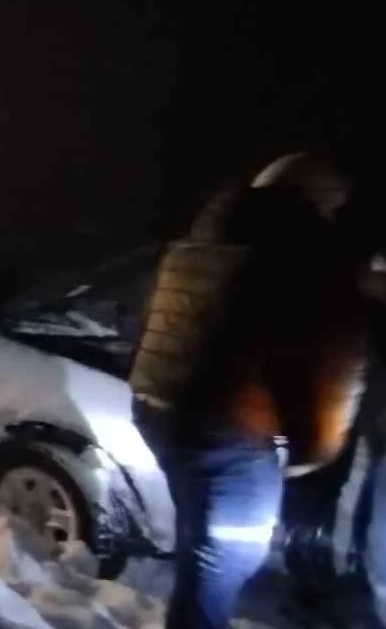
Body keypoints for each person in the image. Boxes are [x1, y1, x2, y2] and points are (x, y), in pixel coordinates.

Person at [128, 152, 376, 629]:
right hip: (228, 437)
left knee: (201, 544)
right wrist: (308, 457)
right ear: (317, 205)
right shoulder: (309, 265)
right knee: (225, 558)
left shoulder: (199, 247)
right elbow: (331, 382)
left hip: (160, 413)